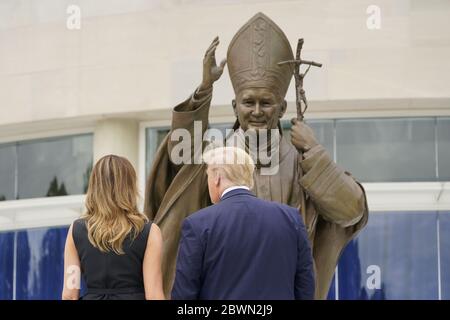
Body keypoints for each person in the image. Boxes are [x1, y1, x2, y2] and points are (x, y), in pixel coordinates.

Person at [144, 12, 368, 299]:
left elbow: (351, 212)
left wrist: (314, 153)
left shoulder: (302, 163)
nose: (258, 111)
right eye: (249, 102)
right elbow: (178, 160)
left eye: (267, 102)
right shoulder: (216, 160)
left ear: (283, 108)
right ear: (236, 105)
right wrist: (204, 90)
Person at [171, 147, 315, 300]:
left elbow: (184, 294)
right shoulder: (291, 218)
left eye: (208, 176)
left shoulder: (197, 224)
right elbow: (305, 284)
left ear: (217, 177)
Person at [62, 155, 164, 300]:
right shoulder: (149, 231)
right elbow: (154, 295)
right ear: (130, 187)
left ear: (94, 186)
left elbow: (69, 295)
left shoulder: (76, 230)